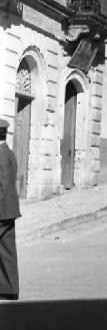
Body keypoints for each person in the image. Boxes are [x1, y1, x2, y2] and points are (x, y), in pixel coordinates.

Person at [0, 119, 20, 300]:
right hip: (9, 210)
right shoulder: (9, 153)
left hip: (1, 211)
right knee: (7, 249)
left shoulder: (1, 155)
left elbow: (3, 185)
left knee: (6, 249)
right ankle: (9, 289)